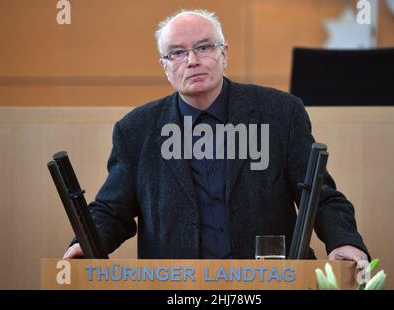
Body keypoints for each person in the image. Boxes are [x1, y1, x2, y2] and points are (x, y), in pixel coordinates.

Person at [63, 9, 370, 266]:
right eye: (177, 53)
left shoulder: (280, 113)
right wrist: (85, 245)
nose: (192, 60)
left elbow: (319, 195)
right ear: (165, 67)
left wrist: (343, 241)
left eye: (204, 47)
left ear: (224, 54)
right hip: (177, 289)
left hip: (270, 283)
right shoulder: (136, 130)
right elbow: (111, 211)